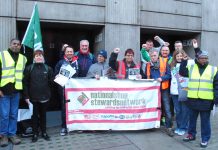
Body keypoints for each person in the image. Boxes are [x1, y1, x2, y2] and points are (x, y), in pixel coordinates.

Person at [180, 40, 218, 148]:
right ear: (198, 58)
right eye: (202, 58)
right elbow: (182, 73)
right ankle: (191, 135)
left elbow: (217, 86)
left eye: (206, 58)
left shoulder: (213, 70)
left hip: (206, 101)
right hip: (192, 99)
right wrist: (183, 61)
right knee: (192, 120)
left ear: (208, 59)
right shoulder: (192, 67)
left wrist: (216, 100)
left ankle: (205, 139)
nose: (204, 60)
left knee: (205, 122)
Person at [0, 38, 27, 147]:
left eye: (18, 44)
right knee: (4, 115)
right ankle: (3, 136)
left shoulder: (23, 58)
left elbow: (22, 76)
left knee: (13, 114)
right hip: (4, 91)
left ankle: (12, 134)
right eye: (14, 44)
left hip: (16, 91)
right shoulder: (2, 55)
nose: (16, 46)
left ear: (20, 46)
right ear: (10, 44)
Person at [23, 50, 53, 142]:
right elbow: (25, 83)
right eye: (36, 56)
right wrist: (26, 96)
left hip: (45, 98)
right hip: (33, 98)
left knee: (43, 115)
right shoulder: (29, 68)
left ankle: (44, 132)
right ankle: (35, 133)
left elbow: (51, 83)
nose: (39, 57)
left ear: (43, 57)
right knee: (35, 116)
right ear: (34, 58)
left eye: (40, 56)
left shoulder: (48, 68)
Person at [144, 50, 173, 137]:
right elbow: (146, 77)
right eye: (151, 56)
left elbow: (169, 75)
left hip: (163, 89)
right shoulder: (148, 65)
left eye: (155, 55)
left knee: (167, 108)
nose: (153, 57)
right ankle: (151, 125)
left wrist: (162, 78)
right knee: (152, 107)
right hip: (153, 90)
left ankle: (169, 127)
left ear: (158, 55)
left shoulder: (164, 62)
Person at [55, 46, 79, 136]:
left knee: (75, 107)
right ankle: (64, 127)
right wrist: (56, 76)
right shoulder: (61, 62)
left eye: (71, 51)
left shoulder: (77, 62)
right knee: (65, 108)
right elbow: (55, 73)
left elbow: (80, 75)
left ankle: (75, 125)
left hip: (75, 90)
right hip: (63, 89)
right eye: (68, 51)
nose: (69, 53)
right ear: (65, 53)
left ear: (73, 53)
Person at [170, 49, 191, 136]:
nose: (179, 57)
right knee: (178, 111)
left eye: (181, 56)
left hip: (184, 90)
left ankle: (183, 127)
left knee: (185, 110)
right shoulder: (172, 66)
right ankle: (179, 126)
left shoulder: (188, 64)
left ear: (184, 56)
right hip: (174, 91)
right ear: (175, 57)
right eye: (177, 56)